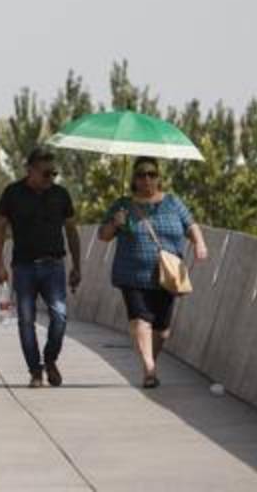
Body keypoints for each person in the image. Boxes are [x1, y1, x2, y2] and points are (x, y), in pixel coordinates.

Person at [98, 157, 207, 388]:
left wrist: (199, 244)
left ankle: (150, 363)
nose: (146, 179)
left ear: (158, 177)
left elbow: (191, 225)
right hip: (132, 274)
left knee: (163, 329)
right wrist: (115, 224)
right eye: (140, 174)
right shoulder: (122, 205)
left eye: (151, 174)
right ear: (134, 179)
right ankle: (149, 368)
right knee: (140, 320)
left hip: (167, 274)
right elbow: (103, 235)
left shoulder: (173, 202)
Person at [0, 147, 82, 388]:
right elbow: (0, 227)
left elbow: (72, 231)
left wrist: (77, 266)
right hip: (23, 268)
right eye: (45, 174)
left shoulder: (60, 195)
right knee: (25, 321)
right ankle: (35, 371)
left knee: (60, 317)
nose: (50, 179)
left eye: (53, 174)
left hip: (54, 266)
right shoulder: (13, 193)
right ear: (30, 170)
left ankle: (50, 359)